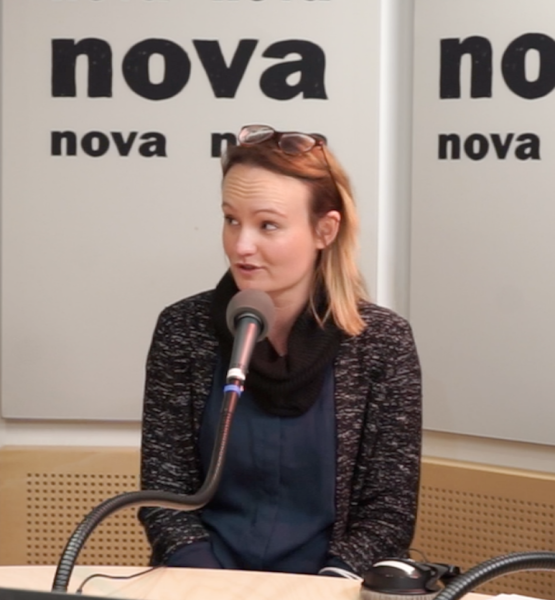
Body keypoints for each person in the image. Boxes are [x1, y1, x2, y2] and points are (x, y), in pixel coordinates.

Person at [138, 124, 422, 577]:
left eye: (267, 225)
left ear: (325, 230)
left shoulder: (382, 342)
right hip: (201, 582)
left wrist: (328, 587)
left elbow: (388, 512)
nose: (241, 245)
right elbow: (164, 495)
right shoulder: (184, 330)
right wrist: (209, 585)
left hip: (331, 587)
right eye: (231, 219)